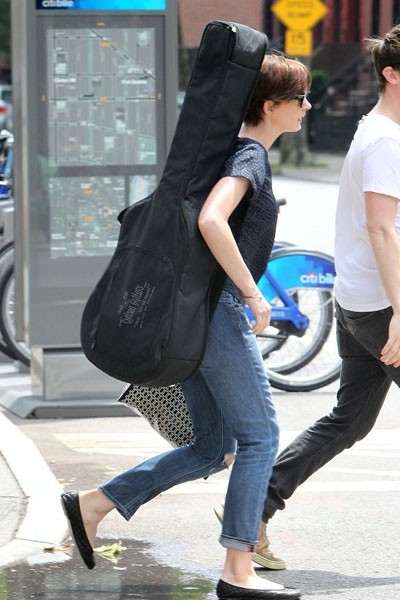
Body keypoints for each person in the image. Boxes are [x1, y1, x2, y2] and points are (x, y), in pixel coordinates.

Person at [61, 51, 311, 600]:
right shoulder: (250, 157)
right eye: (300, 98)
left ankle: (94, 504)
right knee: (260, 437)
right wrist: (253, 293)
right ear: (271, 106)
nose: (307, 106)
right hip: (217, 312)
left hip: (195, 314)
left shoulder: (231, 151)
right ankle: (238, 570)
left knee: (212, 447)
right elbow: (211, 219)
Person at [215, 23, 400, 572]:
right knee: (348, 421)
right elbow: (381, 229)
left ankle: (253, 509)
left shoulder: (377, 129)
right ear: (392, 75)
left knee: (350, 420)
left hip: (359, 300)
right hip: (382, 306)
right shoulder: (385, 141)